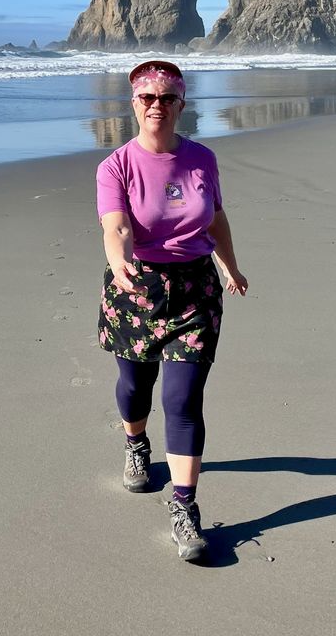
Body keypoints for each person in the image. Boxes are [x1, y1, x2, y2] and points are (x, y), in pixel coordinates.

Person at [95, 60, 248, 562]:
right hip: (136, 287)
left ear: (182, 104)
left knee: (182, 401)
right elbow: (115, 227)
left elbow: (216, 217)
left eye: (167, 97)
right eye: (147, 97)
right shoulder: (115, 166)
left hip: (196, 292)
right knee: (136, 387)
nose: (156, 105)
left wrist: (230, 265)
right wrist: (119, 264)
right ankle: (136, 444)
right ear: (133, 103)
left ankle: (184, 506)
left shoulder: (203, 158)